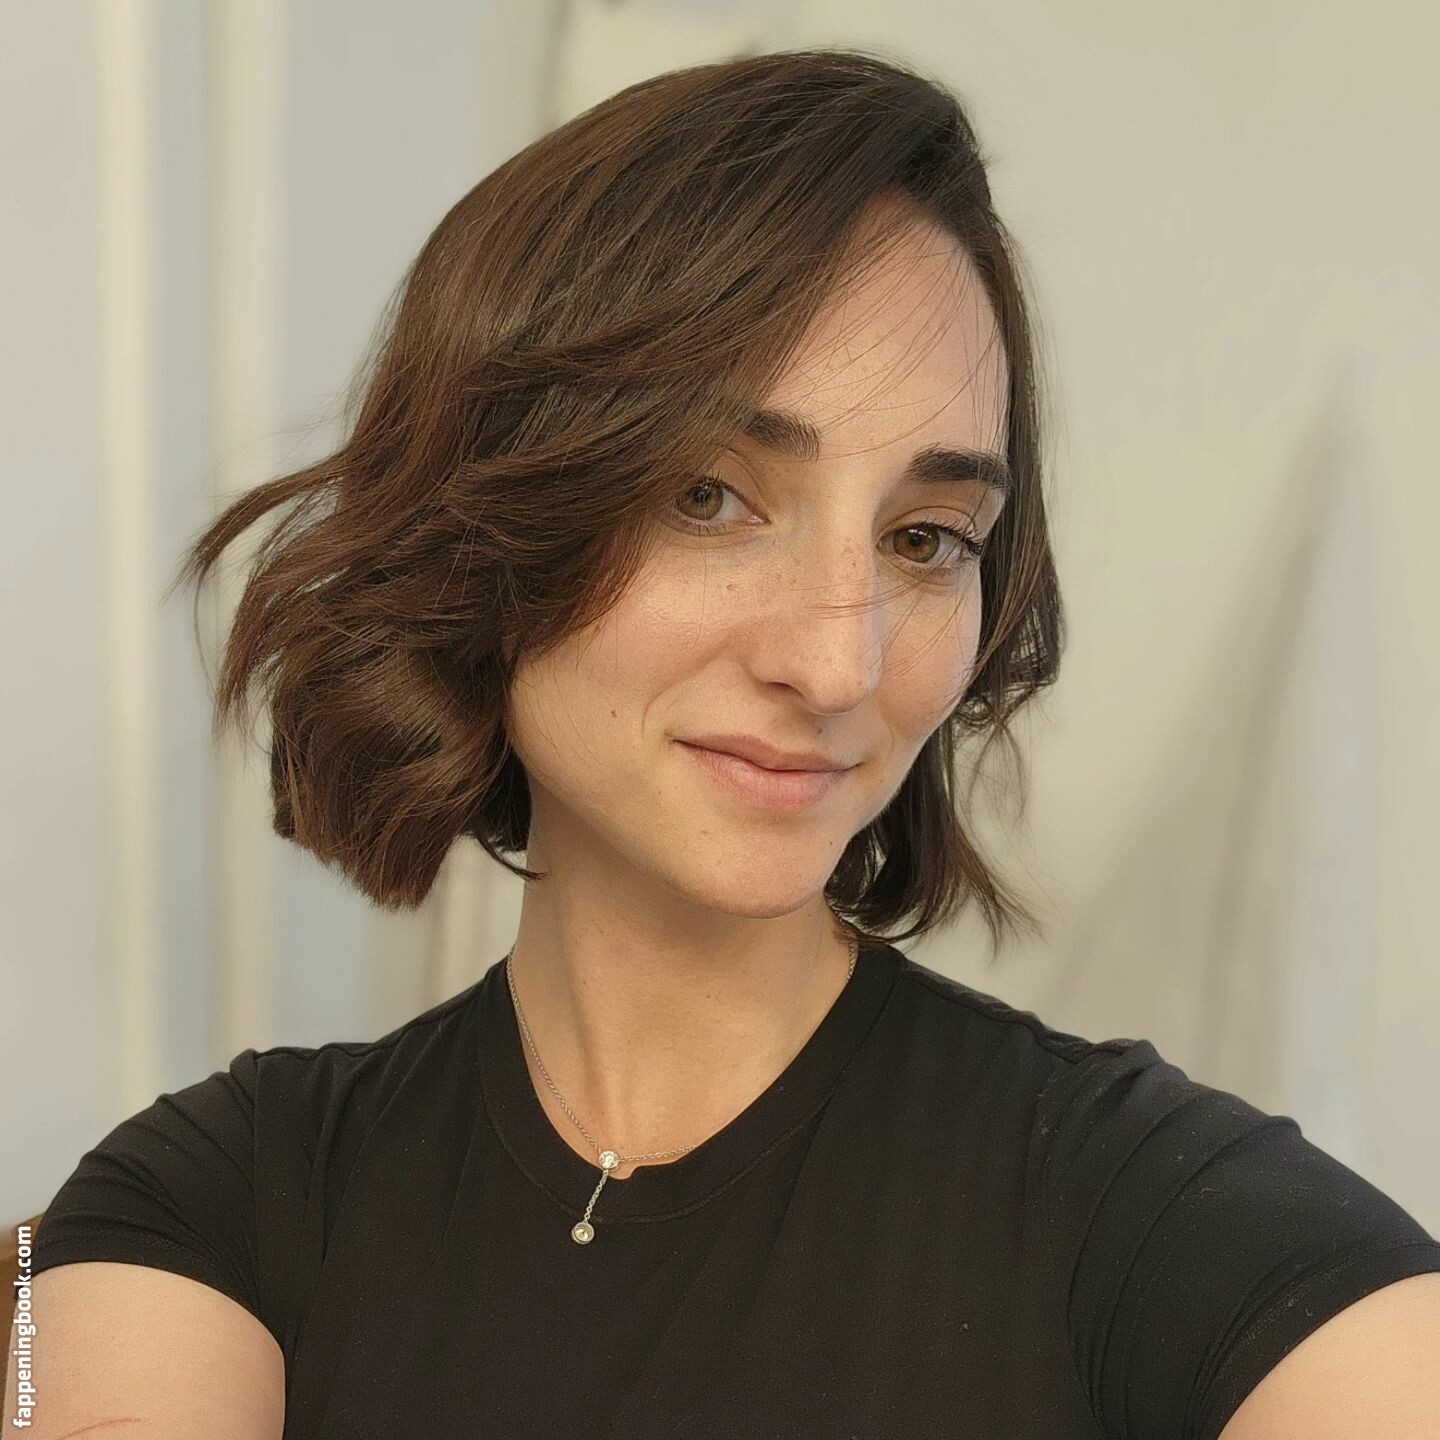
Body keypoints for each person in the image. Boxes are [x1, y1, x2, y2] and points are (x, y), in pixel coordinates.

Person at [9, 47, 1439, 1440]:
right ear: (487, 514)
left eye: (926, 538)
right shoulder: (208, 1200)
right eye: (708, 497)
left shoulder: (1160, 1212)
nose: (836, 663)